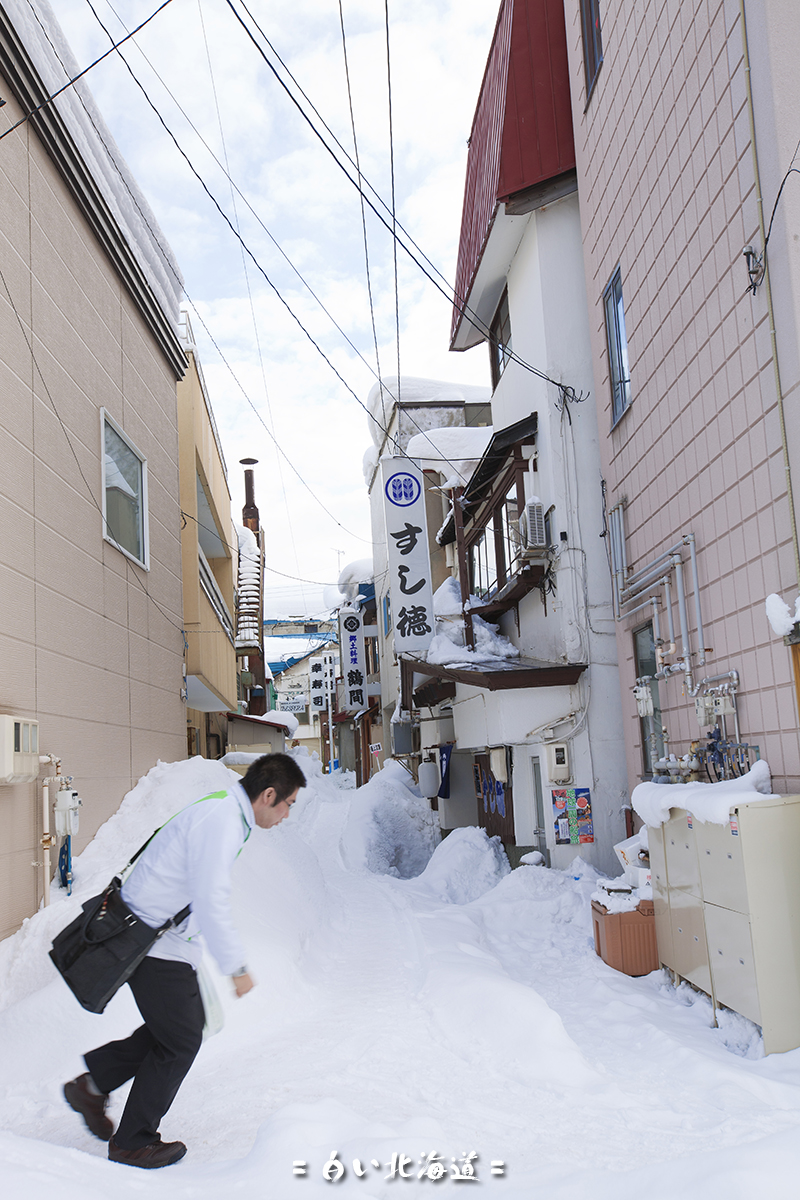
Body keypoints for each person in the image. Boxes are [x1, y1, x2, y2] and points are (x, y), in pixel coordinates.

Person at [63, 752, 306, 1169]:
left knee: (177, 1031)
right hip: (150, 941)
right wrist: (236, 967)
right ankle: (132, 1141)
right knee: (180, 1040)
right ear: (269, 795)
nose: (287, 815)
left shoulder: (224, 812)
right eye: (289, 805)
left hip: (166, 938)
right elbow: (212, 899)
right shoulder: (222, 822)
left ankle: (93, 1084)